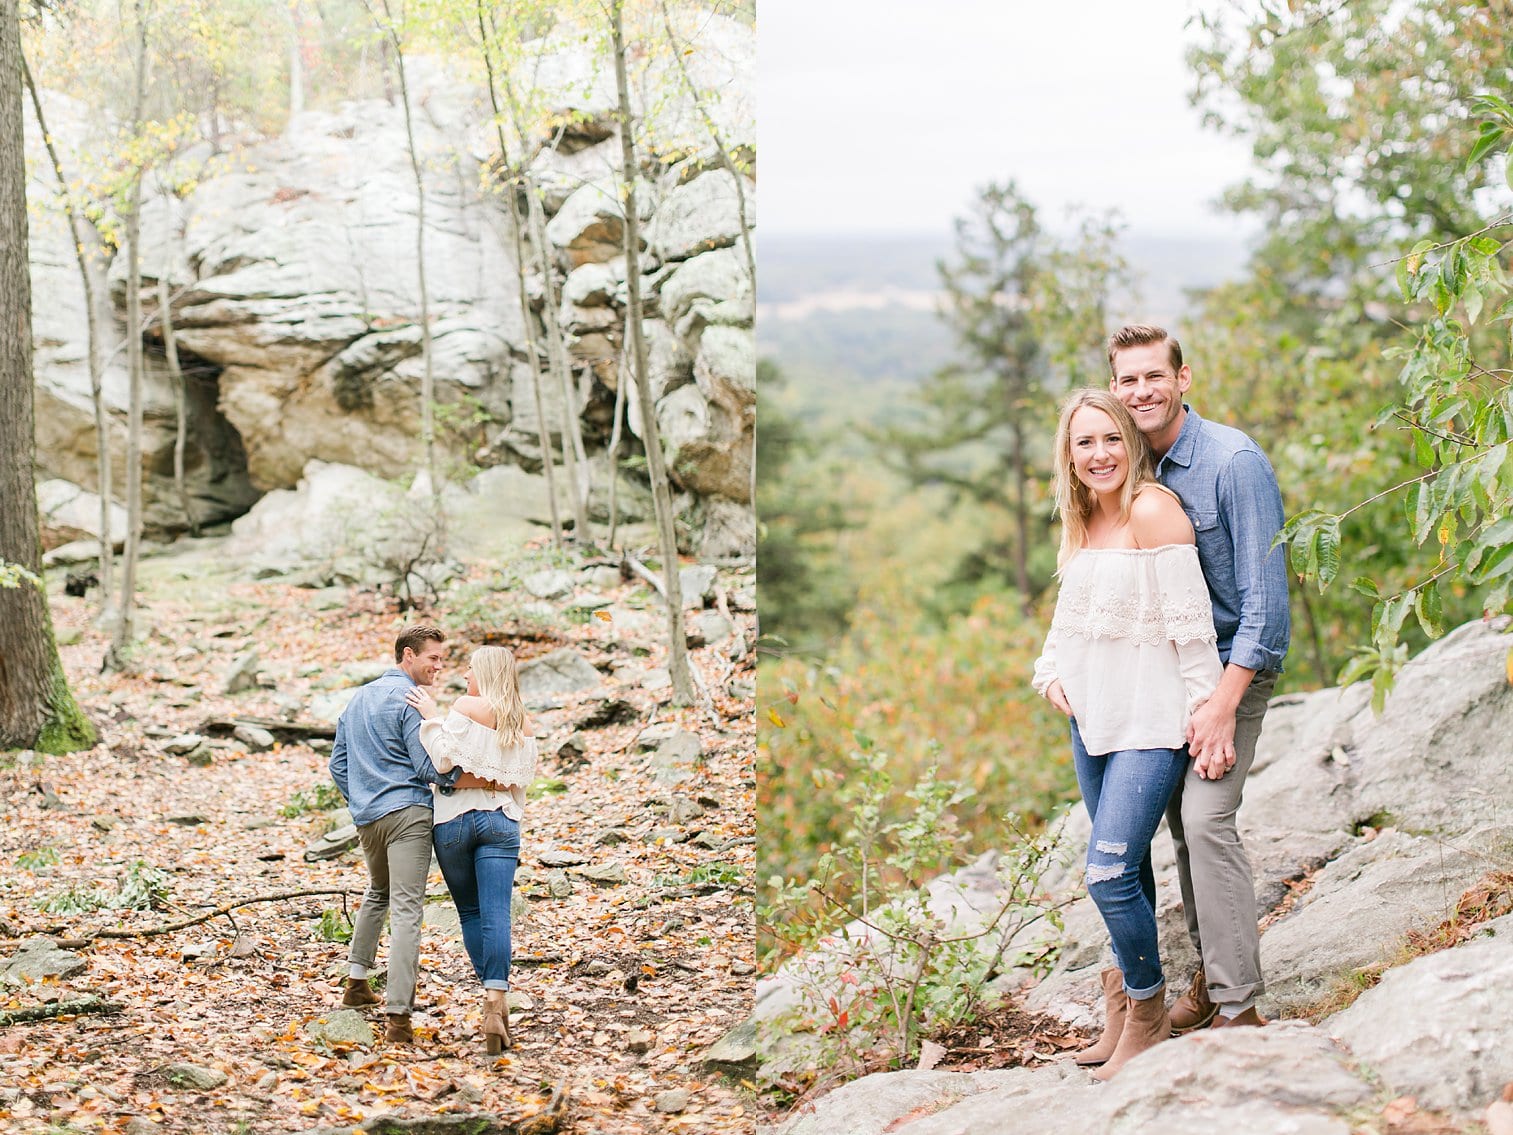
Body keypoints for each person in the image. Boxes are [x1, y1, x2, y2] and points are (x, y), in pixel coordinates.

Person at [1032, 388, 1222, 1080]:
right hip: (1092, 723)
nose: (1099, 454)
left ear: (1129, 443)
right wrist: (1049, 673)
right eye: (1084, 442)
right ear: (1068, 454)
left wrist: (1209, 712)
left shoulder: (1151, 508)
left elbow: (1192, 625)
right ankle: (1118, 1009)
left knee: (1107, 873)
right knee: (1130, 866)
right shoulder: (1083, 516)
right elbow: (1068, 620)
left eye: (1110, 438)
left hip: (1150, 721)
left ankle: (1147, 1012)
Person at [1107, 324, 1291, 1032]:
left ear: (1182, 380)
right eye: (1127, 380)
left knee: (1205, 820)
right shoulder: (1127, 466)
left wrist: (1221, 704)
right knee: (1175, 832)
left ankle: (1239, 1009)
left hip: (1232, 669)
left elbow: (1266, 608)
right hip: (1166, 673)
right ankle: (1209, 981)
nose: (1141, 390)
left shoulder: (1231, 461)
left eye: (1153, 375)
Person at [328, 624, 488, 1043]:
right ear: (407, 656)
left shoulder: (358, 698)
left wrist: (360, 800)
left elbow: (337, 764)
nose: (440, 665)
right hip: (407, 815)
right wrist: (471, 772)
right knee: (405, 911)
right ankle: (398, 1016)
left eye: (442, 657)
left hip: (368, 818)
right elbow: (427, 768)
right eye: (432, 657)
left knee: (378, 892)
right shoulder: (410, 702)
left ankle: (356, 983)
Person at [405, 645, 538, 1054]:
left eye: (469, 669)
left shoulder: (466, 705)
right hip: (501, 823)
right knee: (498, 914)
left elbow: (444, 761)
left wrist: (432, 718)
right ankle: (495, 1002)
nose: (464, 675)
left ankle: (492, 999)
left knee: (470, 913)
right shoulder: (524, 724)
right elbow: (518, 783)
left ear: (485, 673)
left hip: (456, 823)